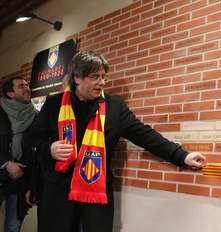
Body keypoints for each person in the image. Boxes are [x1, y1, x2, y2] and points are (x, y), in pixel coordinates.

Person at [26, 50, 206, 232]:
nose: (102, 83)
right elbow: (30, 141)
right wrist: (49, 149)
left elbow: (145, 135)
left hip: (95, 198)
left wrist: (182, 155)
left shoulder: (114, 107)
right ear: (77, 78)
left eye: (104, 77)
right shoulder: (54, 103)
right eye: (95, 77)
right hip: (57, 195)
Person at [0, 76, 37, 232]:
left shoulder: (36, 116)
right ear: (10, 93)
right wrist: (6, 164)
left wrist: (32, 186)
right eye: (21, 86)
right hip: (2, 171)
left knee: (13, 227)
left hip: (20, 180)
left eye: (27, 85)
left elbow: (36, 151)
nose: (27, 88)